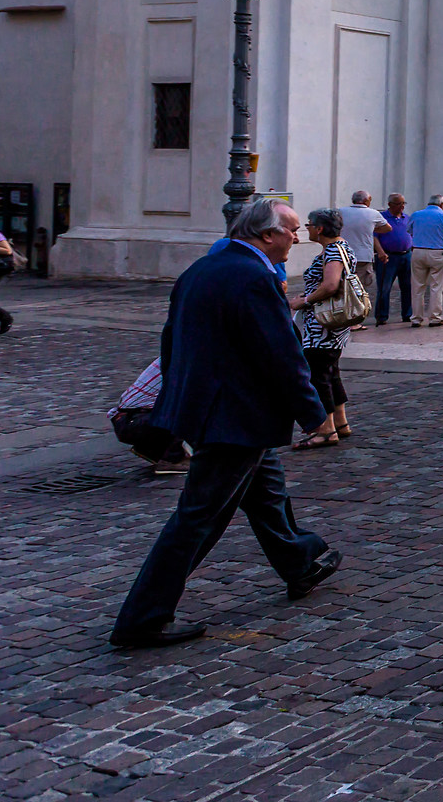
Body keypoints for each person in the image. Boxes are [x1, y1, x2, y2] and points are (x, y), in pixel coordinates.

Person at [110, 198, 340, 648]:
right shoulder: (254, 278)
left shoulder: (201, 269)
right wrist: (316, 416)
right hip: (235, 419)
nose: (298, 237)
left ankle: (300, 563)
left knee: (267, 492)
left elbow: (170, 344)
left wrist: (177, 405)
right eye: (292, 230)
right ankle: (144, 618)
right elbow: (282, 355)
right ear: (267, 234)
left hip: (213, 413)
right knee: (197, 520)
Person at [290, 209, 359, 446]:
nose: (306, 228)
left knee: (318, 374)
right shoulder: (342, 247)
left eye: (309, 225)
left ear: (319, 229)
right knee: (330, 371)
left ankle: (326, 429)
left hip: (322, 325)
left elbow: (330, 285)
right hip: (333, 322)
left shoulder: (332, 251)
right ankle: (340, 422)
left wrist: (304, 300)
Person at [108, 358, 189, 473]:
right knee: (194, 408)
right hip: (135, 422)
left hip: (128, 419)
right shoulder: (191, 360)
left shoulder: (179, 352)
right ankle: (171, 459)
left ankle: (152, 449)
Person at [406, 195, 443, 327]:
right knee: (436, 287)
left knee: (417, 286)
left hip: (418, 251)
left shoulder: (416, 215)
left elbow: (409, 231)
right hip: (437, 253)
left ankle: (416, 318)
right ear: (442, 205)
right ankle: (434, 317)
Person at [374, 193, 414, 326]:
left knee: (407, 286)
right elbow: (374, 237)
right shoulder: (382, 218)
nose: (402, 206)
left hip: (406, 255)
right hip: (388, 256)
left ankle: (408, 314)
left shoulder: (406, 218)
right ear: (390, 204)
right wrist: (380, 252)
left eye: (403, 203)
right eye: (398, 204)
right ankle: (382, 316)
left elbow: (411, 233)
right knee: (384, 287)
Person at [337, 191, 383, 284]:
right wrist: (370, 229)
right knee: (360, 286)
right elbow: (387, 228)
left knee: (342, 284)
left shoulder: (340, 211)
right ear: (366, 201)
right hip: (363, 256)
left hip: (342, 253)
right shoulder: (373, 213)